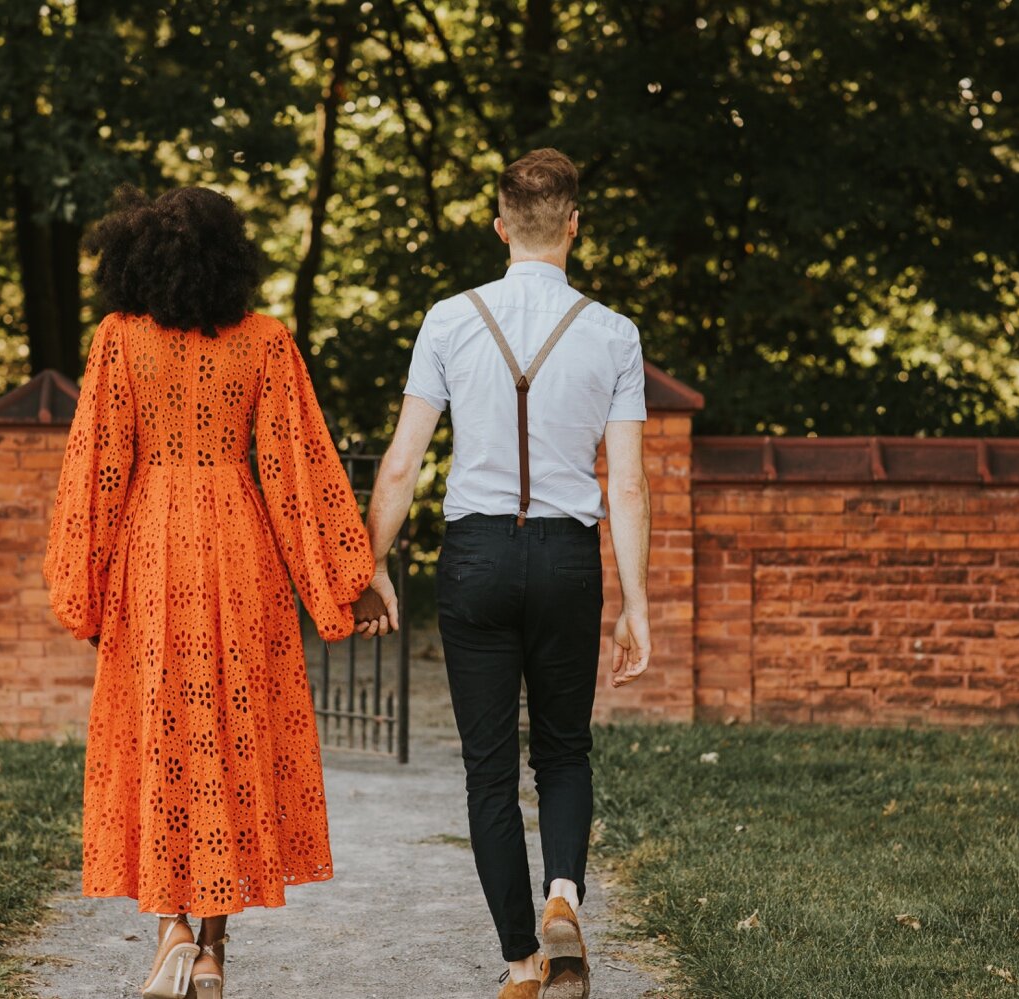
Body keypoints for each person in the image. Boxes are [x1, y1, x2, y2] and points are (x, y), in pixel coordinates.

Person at [43, 185, 375, 999]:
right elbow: (301, 473)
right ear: (233, 260)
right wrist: (346, 578)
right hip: (239, 547)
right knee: (228, 734)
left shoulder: (120, 340)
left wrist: (83, 587)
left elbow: (97, 471)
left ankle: (172, 930)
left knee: (160, 728)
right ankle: (216, 952)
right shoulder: (264, 343)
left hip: (151, 549)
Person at [360, 148, 653, 999]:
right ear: (573, 225)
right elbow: (626, 483)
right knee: (562, 750)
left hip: (477, 556)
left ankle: (524, 960)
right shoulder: (613, 333)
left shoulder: (450, 320)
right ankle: (565, 892)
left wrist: (371, 563)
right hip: (567, 557)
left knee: (487, 766)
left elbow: (400, 466)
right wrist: (636, 602)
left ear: (499, 226)